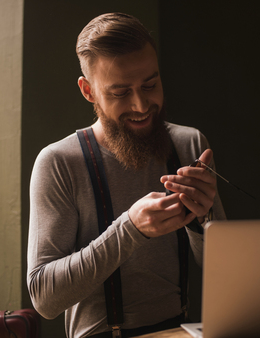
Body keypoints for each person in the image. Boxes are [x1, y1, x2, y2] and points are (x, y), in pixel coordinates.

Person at [27, 12, 226, 338]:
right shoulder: (58, 163)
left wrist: (200, 223)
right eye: (120, 92)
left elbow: (225, 272)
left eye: (151, 84)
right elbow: (45, 299)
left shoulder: (189, 143)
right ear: (88, 91)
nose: (142, 105)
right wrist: (129, 228)